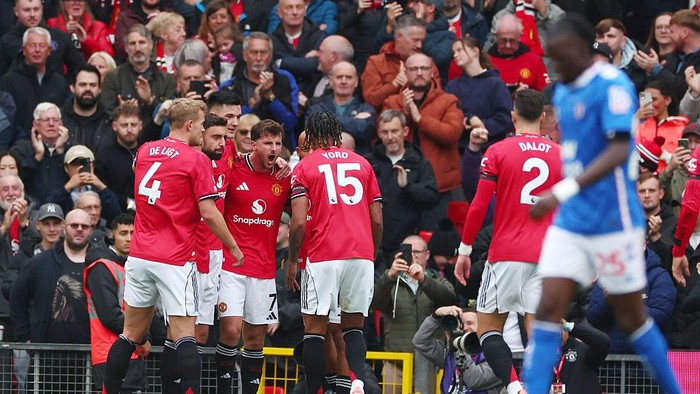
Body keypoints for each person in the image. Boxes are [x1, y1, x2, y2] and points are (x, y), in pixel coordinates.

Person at [524, 15, 681, 394]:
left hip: (614, 219)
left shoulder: (613, 85)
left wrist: (560, 191)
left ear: (582, 48)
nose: (554, 65)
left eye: (560, 56)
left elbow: (618, 149)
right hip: (573, 221)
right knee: (547, 310)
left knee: (632, 318)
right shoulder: (562, 92)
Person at [102, 98, 244, 394]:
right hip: (175, 256)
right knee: (184, 335)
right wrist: (232, 246)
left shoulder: (144, 151)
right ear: (190, 125)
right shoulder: (196, 159)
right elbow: (208, 212)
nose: (205, 130)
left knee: (129, 334)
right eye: (204, 125)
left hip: (140, 254)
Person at [453, 88, 561, 394]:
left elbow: (477, 205)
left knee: (488, 329)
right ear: (543, 118)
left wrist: (465, 250)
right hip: (547, 255)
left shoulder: (498, 151)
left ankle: (513, 387)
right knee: (538, 331)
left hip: (507, 254)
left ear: (513, 117)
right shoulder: (561, 155)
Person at [287, 111, 383, 394]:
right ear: (337, 134)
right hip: (361, 254)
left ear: (311, 136)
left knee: (315, 330)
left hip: (323, 254)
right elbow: (377, 218)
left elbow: (298, 222)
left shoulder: (305, 167)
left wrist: (292, 260)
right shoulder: (363, 164)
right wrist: (371, 252)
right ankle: (355, 382)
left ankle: (316, 389)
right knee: (354, 327)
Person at [216, 119, 291, 394]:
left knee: (256, 339)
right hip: (230, 265)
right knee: (232, 330)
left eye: (278, 143)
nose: (274, 148)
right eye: (268, 142)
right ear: (254, 143)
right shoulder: (234, 168)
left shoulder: (284, 177)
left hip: (264, 269)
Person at [10, 209, 93, 391]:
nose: (79, 229)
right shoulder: (41, 262)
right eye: (74, 225)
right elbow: (17, 297)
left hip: (90, 359)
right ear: (64, 228)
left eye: (84, 226)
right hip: (46, 359)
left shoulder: (99, 264)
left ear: (92, 229)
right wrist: (26, 337)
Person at [382, 52, 463, 231]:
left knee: (434, 243)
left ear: (432, 72)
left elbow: (452, 133)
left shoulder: (448, 101)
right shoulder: (392, 102)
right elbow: (386, 135)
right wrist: (405, 111)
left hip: (438, 186)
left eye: (424, 68)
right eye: (413, 69)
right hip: (400, 187)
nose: (419, 72)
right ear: (406, 72)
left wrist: (420, 119)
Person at [372, 234, 455, 394]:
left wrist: (424, 280)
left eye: (417, 251)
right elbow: (374, 303)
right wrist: (389, 276)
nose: (413, 256)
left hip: (431, 364)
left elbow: (449, 299)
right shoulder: (392, 282)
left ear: (427, 255)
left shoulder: (437, 279)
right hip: (396, 363)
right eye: (408, 251)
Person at [84, 213, 153, 393]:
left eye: (133, 232)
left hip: (131, 351)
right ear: (112, 235)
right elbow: (109, 315)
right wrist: (142, 339)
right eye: (123, 233)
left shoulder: (131, 266)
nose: (129, 239)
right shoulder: (102, 267)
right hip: (109, 350)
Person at [365, 109, 439, 266]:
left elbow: (432, 199)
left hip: (406, 244)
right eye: (385, 132)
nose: (390, 137)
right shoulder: (369, 163)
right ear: (379, 133)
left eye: (394, 131)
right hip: (374, 242)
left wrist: (408, 186)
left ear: (405, 131)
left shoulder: (420, 163)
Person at [220, 32, 299, 148]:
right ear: (245, 55)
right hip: (241, 151)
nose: (258, 58)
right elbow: (226, 125)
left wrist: (270, 97)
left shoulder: (285, 79)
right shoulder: (229, 86)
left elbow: (290, 122)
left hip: (280, 152)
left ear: (271, 55)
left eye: (263, 53)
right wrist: (252, 104)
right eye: (254, 52)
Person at [412, 305, 503, 394]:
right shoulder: (450, 354)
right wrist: (435, 316)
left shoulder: (496, 355)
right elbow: (420, 342)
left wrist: (461, 346)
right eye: (461, 324)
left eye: (470, 323)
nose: (465, 328)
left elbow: (474, 380)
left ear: (482, 327)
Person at [0, 27, 71, 138]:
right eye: (32, 45)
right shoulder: (8, 81)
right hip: (17, 147)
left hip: (53, 146)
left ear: (49, 50)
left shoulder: (60, 83)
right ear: (23, 50)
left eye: (42, 46)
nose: (37, 50)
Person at [101, 24, 177, 125]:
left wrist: (150, 101)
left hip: (156, 137)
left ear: (151, 45)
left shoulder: (167, 79)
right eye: (132, 44)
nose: (137, 48)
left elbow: (171, 117)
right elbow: (106, 115)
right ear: (126, 48)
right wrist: (123, 111)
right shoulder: (113, 77)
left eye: (142, 42)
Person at [445, 35, 513, 146]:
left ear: (475, 51)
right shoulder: (452, 86)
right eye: (453, 52)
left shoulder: (496, 84)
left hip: (490, 150)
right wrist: (469, 119)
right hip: (462, 151)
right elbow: (448, 114)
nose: (455, 55)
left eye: (459, 50)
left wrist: (481, 125)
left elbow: (505, 118)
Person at [361, 14, 438, 111]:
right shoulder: (376, 62)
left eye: (422, 41)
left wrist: (416, 82)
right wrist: (394, 85)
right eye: (415, 40)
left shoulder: (428, 63)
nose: (419, 45)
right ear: (399, 37)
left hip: (424, 118)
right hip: (389, 121)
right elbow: (370, 101)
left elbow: (438, 97)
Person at [0, 0, 85, 78]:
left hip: (56, 92)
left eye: (36, 9)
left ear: (42, 9)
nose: (32, 15)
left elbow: (79, 67)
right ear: (16, 12)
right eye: (27, 10)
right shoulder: (6, 42)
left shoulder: (59, 37)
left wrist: (68, 85)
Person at [305, 61, 376, 154]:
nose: (344, 81)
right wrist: (353, 121)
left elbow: (365, 131)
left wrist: (327, 121)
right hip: (323, 162)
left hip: (357, 163)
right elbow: (314, 133)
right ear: (330, 81)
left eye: (348, 77)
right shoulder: (315, 108)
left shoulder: (366, 109)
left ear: (356, 82)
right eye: (339, 77)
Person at [11, 102, 71, 204]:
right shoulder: (21, 150)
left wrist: (61, 152)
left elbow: (77, 181)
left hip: (65, 210)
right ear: (36, 124)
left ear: (61, 124)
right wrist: (37, 157)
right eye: (46, 120)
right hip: (32, 210)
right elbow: (17, 181)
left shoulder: (72, 149)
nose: (51, 124)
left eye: (55, 120)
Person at [269, 0, 327, 95]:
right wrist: (304, 61)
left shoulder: (319, 36)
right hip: (282, 97)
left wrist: (280, 62)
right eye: (289, 7)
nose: (295, 12)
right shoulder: (271, 40)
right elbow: (270, 68)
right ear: (279, 13)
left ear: (305, 11)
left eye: (299, 7)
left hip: (312, 96)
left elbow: (316, 64)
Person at [95, 103, 142, 212]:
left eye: (133, 125)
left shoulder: (149, 150)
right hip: (116, 214)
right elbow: (104, 192)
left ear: (140, 125)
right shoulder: (104, 156)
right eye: (124, 125)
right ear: (115, 126)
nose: (129, 130)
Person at [487, 14, 550, 91]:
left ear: (519, 37)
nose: (508, 45)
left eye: (512, 40)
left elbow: (546, 93)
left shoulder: (534, 60)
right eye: (503, 40)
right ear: (496, 36)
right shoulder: (486, 61)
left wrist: (527, 94)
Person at [62, 64, 114, 152]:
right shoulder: (59, 120)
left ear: (100, 89)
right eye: (82, 84)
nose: (88, 89)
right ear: (72, 88)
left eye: (93, 85)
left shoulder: (110, 122)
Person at [46, 0, 114, 59]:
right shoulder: (52, 24)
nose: (77, 3)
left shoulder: (99, 27)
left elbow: (108, 57)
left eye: (81, 0)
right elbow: (49, 52)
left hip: (89, 70)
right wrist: (64, 33)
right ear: (63, 3)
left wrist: (86, 40)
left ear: (86, 4)